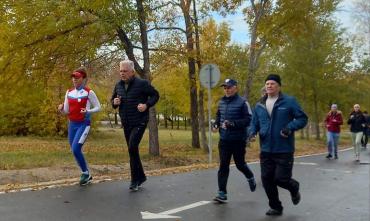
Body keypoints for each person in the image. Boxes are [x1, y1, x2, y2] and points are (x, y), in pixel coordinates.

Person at [249, 74, 308, 216]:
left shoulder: (289, 101)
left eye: (272, 83)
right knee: (267, 179)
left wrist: (289, 127)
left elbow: (302, 118)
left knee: (281, 179)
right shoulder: (259, 104)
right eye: (267, 83)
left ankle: (294, 187)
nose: (269, 86)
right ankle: (276, 207)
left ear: (279, 86)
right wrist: (251, 133)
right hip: (266, 148)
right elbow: (255, 123)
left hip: (284, 148)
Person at [111, 60, 159, 191]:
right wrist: (115, 102)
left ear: (132, 72)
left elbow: (155, 95)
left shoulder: (142, 84)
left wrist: (146, 105)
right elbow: (113, 102)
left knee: (132, 147)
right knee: (133, 150)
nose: (122, 73)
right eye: (121, 71)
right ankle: (141, 176)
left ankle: (134, 180)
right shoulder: (118, 85)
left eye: (125, 71)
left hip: (140, 121)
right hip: (126, 123)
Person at [212, 78, 256, 203]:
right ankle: (222, 193)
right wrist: (216, 124)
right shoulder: (221, 102)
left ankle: (250, 176)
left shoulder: (243, 102)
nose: (227, 89)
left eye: (229, 87)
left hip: (238, 140)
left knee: (240, 164)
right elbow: (219, 115)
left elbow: (248, 120)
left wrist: (233, 124)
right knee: (223, 165)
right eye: (225, 87)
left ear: (235, 88)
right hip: (224, 140)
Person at [58, 67, 101, 186]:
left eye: (77, 77)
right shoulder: (69, 92)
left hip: (84, 124)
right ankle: (86, 173)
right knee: (74, 150)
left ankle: (85, 173)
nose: (74, 79)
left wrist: (88, 111)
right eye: (73, 77)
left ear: (83, 78)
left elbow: (98, 107)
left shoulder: (89, 92)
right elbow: (66, 111)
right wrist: (61, 109)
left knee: (76, 148)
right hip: (72, 124)